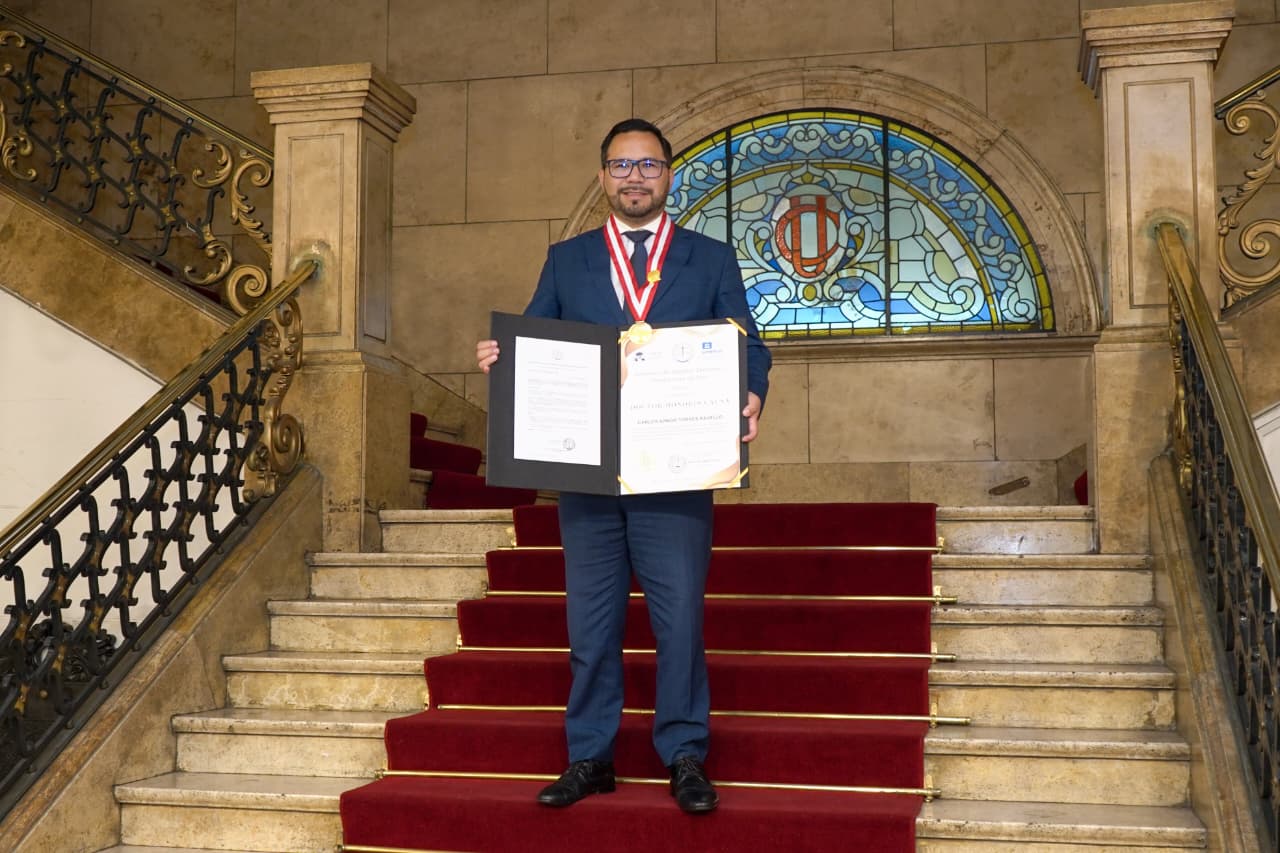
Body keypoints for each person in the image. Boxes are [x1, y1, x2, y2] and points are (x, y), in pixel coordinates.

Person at [475, 118, 771, 814]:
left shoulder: (709, 257)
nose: (634, 177)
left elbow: (747, 344)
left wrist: (752, 388)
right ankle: (590, 756)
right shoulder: (567, 258)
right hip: (589, 476)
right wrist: (501, 358)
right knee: (593, 622)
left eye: (648, 165)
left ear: (668, 175)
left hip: (677, 468)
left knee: (679, 622)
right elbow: (534, 338)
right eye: (620, 165)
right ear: (604, 177)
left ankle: (686, 754)